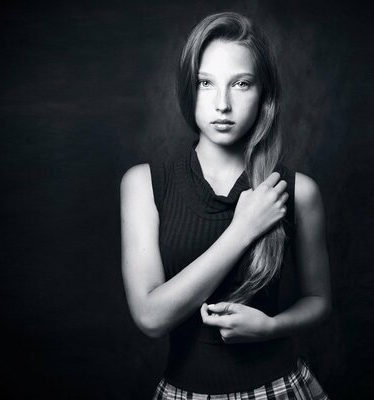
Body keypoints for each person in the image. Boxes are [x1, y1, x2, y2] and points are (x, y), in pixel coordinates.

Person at [120, 11, 331, 399]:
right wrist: (242, 230)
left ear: (263, 93)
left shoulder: (298, 192)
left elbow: (319, 300)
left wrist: (271, 327)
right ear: (188, 88)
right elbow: (150, 318)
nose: (222, 103)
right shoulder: (143, 185)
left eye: (241, 84)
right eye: (206, 83)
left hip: (280, 388)